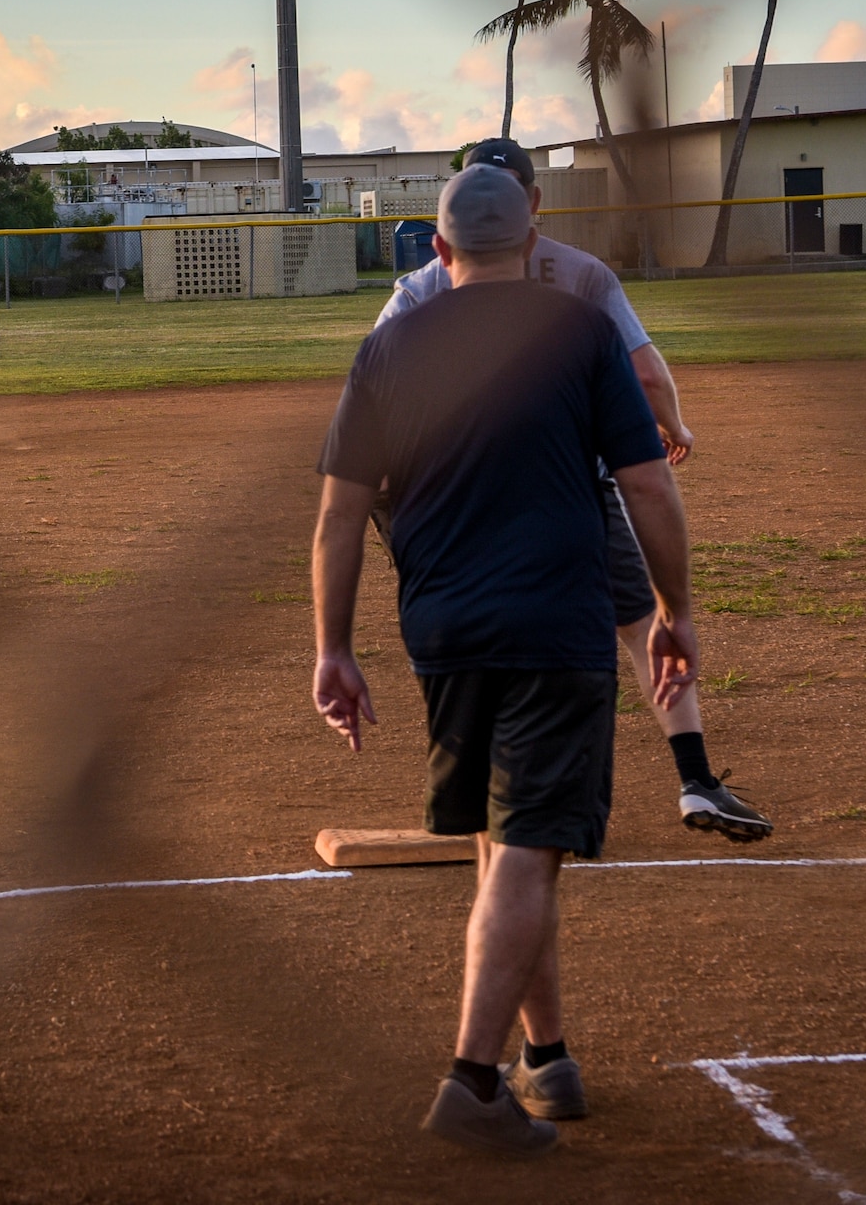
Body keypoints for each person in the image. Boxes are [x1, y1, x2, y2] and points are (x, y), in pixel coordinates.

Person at [312, 166, 699, 1155]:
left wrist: (332, 649)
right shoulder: (572, 330)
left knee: (502, 843)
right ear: (535, 242)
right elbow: (648, 486)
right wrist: (671, 609)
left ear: (435, 253)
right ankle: (471, 1081)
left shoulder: (390, 340)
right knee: (528, 846)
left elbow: (338, 515)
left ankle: (548, 1055)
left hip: (441, 634)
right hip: (555, 624)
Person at [375, 139, 770, 844]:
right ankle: (695, 778)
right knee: (638, 621)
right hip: (564, 493)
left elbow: (373, 397)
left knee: (459, 625)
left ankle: (480, 782)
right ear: (532, 205)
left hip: (443, 505)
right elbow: (644, 375)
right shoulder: (583, 274)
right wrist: (673, 424)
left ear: (447, 226)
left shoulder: (424, 285)